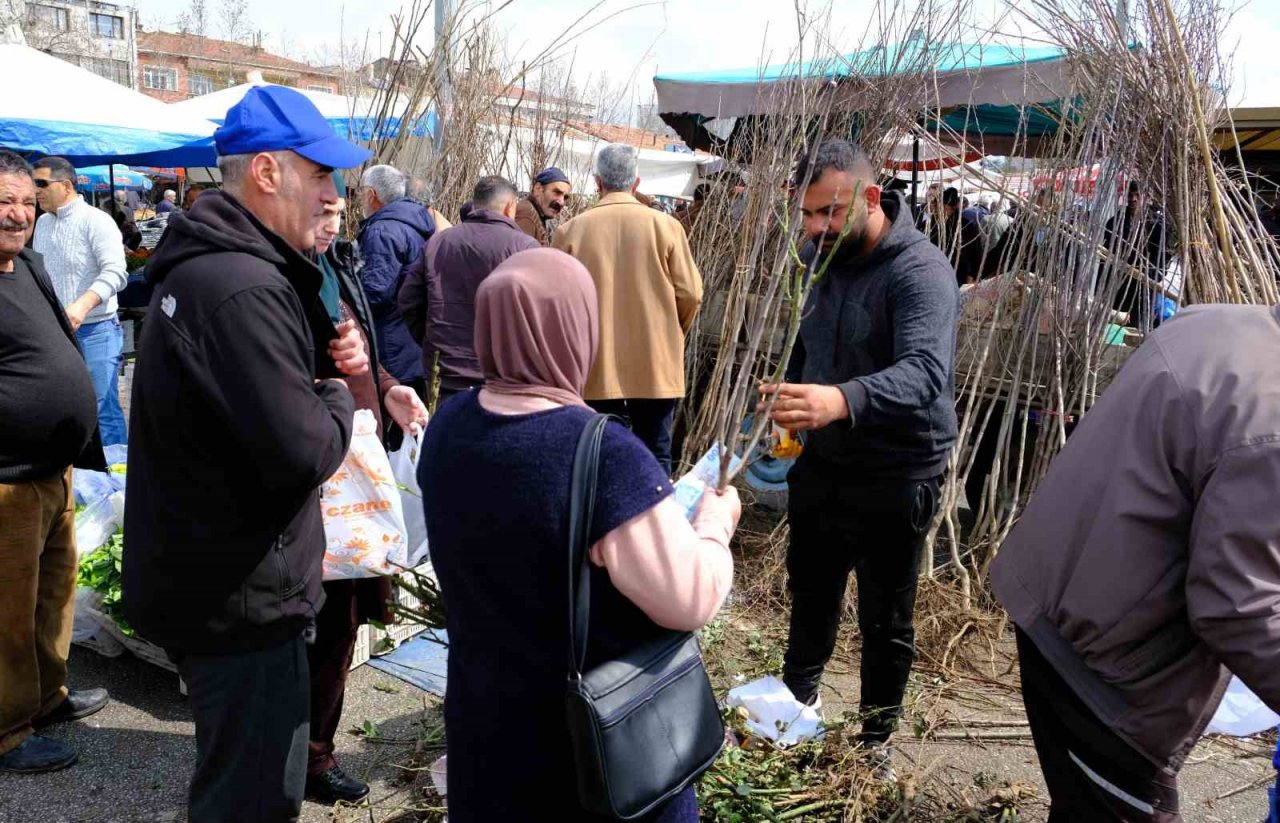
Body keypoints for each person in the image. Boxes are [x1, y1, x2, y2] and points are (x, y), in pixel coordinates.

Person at [122, 85, 372, 823]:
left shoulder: (226, 266)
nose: (332, 192)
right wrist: (335, 389)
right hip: (239, 597)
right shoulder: (240, 285)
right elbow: (303, 448)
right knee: (252, 797)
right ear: (267, 173)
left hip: (220, 576)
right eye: (320, 175)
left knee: (243, 775)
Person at [419, 247, 740, 822]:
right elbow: (689, 598)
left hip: (485, 733)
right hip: (586, 752)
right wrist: (715, 523)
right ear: (576, 329)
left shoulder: (450, 425)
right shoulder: (602, 454)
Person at [989, 303, 1280, 822]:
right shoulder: (1268, 425)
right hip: (1106, 664)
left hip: (1054, 592)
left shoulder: (1215, 323)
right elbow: (1240, 606)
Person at [758, 139, 957, 779]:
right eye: (808, 214)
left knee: (885, 614)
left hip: (900, 471)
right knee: (810, 593)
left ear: (871, 198)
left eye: (829, 213)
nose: (814, 228)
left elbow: (927, 371)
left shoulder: (920, 271)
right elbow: (803, 343)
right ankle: (794, 712)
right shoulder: (817, 260)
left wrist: (838, 400)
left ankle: (873, 746)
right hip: (825, 463)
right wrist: (788, 397)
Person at [307, 178, 428, 805]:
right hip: (311, 479)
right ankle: (303, 753)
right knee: (320, 620)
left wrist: (386, 388)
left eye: (336, 211)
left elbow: (357, 352)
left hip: (353, 475)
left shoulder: (333, 265)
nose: (331, 222)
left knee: (341, 618)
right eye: (320, 210)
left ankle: (314, 752)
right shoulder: (279, 277)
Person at [0, 150, 110, 776]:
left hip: (53, 471)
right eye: (3, 203)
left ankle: (47, 697)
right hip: (7, 480)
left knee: (54, 593)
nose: (17, 214)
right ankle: (9, 730)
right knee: (7, 610)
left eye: (24, 201)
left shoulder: (30, 264)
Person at [553, 144, 703, 473]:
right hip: (655, 361)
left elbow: (558, 302)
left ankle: (601, 521)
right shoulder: (667, 227)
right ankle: (655, 520)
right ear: (635, 183)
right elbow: (691, 293)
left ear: (597, 182)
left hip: (594, 362)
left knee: (596, 453)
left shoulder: (570, 231)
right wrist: (672, 331)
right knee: (655, 453)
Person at [399, 175, 539, 406]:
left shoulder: (439, 242)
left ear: (475, 204)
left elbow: (408, 300)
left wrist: (432, 339)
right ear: (510, 206)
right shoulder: (524, 247)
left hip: (444, 371)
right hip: (501, 374)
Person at [31, 157, 129, 447]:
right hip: (57, 333)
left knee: (101, 407)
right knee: (66, 405)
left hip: (96, 330)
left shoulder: (97, 221)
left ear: (66, 185)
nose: (35, 190)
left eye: (41, 183)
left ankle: (116, 475)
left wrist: (82, 305)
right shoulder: (43, 224)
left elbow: (116, 272)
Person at [357, 163, 438, 396]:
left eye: (362, 192)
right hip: (414, 344)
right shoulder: (418, 224)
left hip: (390, 349)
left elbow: (373, 292)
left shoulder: (383, 231)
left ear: (372, 195)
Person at [1105, 181, 1170, 331]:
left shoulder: (1156, 224)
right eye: (1130, 195)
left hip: (1143, 284)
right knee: (1115, 322)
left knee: (1138, 325)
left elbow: (1161, 255)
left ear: (1145, 197)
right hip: (1119, 281)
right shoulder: (1116, 222)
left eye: (1137, 195)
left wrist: (1151, 276)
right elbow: (1108, 248)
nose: (1133, 199)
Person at [929, 186, 984, 286]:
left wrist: (972, 274)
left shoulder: (966, 225)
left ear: (952, 208)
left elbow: (976, 252)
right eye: (937, 208)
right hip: (933, 273)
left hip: (958, 274)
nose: (939, 212)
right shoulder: (930, 225)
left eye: (944, 209)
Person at [515, 166, 573, 245]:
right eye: (557, 192)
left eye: (565, 197)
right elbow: (521, 255)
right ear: (538, 189)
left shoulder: (536, 214)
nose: (561, 202)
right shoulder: (526, 213)